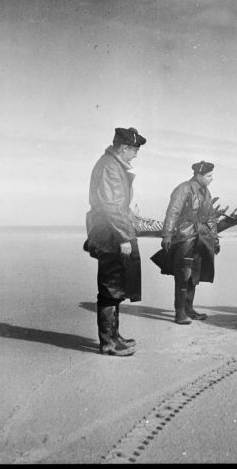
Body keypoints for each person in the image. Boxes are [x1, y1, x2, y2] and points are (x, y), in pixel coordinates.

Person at [84, 127, 147, 356]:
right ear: (124, 147)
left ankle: (114, 336)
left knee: (117, 285)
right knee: (111, 286)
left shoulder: (112, 164)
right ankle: (109, 343)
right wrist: (123, 236)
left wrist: (130, 220)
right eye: (134, 150)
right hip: (110, 233)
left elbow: (118, 205)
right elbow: (111, 205)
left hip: (111, 230)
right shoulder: (110, 166)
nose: (136, 154)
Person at [161, 161, 220, 324]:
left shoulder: (206, 192)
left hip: (201, 238)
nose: (211, 179)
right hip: (184, 236)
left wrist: (214, 239)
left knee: (194, 274)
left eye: (211, 176)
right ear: (198, 175)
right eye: (209, 176)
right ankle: (180, 313)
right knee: (183, 274)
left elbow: (210, 218)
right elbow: (172, 212)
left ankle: (189, 309)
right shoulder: (183, 189)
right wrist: (166, 234)